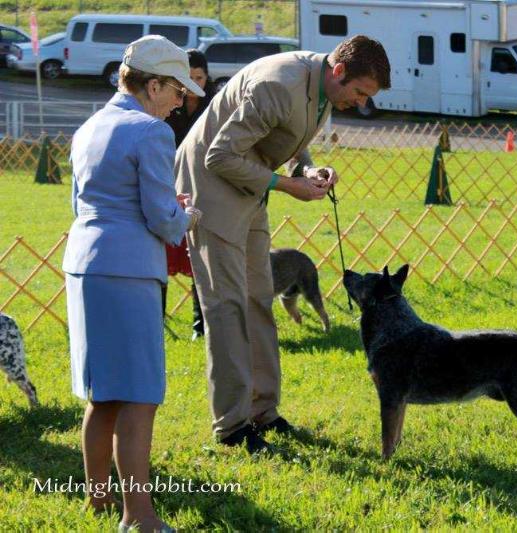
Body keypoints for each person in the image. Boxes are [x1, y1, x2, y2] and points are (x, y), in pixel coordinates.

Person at [175, 35, 391, 453]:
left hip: (251, 183)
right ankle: (233, 427)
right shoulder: (279, 83)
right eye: (360, 93)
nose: (362, 103)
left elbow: (290, 132)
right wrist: (287, 185)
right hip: (211, 191)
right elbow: (216, 157)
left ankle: (263, 411)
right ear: (339, 70)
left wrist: (308, 169)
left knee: (259, 297)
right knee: (227, 306)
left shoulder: (323, 85)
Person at [62, 35, 204, 532]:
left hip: (83, 263)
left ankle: (98, 501)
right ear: (154, 84)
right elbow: (162, 220)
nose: (182, 101)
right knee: (140, 395)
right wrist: (186, 215)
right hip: (127, 270)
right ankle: (139, 516)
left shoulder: (89, 126)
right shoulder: (150, 132)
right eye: (177, 90)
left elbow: (84, 203)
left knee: (104, 394)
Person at [163, 49, 216, 340]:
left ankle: (200, 324)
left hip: (202, 186)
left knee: (199, 257)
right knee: (162, 254)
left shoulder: (215, 105)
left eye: (200, 77)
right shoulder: (171, 105)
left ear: (207, 78)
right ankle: (156, 319)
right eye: (189, 78)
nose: (195, 83)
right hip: (169, 184)